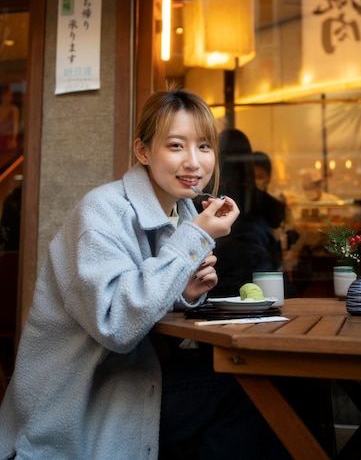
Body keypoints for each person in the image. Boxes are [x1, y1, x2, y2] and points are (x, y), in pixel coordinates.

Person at [0, 89, 288, 460]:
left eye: (203, 146)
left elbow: (145, 294)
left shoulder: (181, 212)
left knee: (270, 381)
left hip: (134, 374)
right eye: (175, 146)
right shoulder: (102, 212)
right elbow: (117, 324)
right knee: (252, 391)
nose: (193, 162)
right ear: (143, 151)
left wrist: (185, 290)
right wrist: (195, 239)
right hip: (81, 397)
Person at [209, 130, 286, 297]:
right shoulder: (263, 202)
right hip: (260, 282)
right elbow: (277, 215)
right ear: (249, 160)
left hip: (216, 285)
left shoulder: (206, 199)